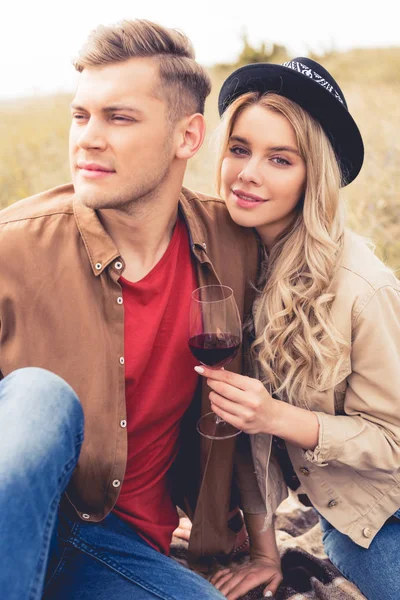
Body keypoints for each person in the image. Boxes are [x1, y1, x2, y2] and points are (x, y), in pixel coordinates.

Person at [0, 19, 268, 600]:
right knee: (40, 398)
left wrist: (264, 544)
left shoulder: (236, 242)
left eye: (118, 118)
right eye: (80, 116)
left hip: (112, 545)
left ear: (188, 138)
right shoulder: (12, 247)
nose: (88, 139)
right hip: (13, 519)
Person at [192, 57, 400, 600]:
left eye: (279, 159)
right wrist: (265, 551)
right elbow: (250, 443)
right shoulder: (226, 267)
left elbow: (395, 441)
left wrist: (278, 416)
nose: (249, 173)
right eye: (239, 149)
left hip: (384, 515)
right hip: (347, 520)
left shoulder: (362, 288)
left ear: (314, 175)